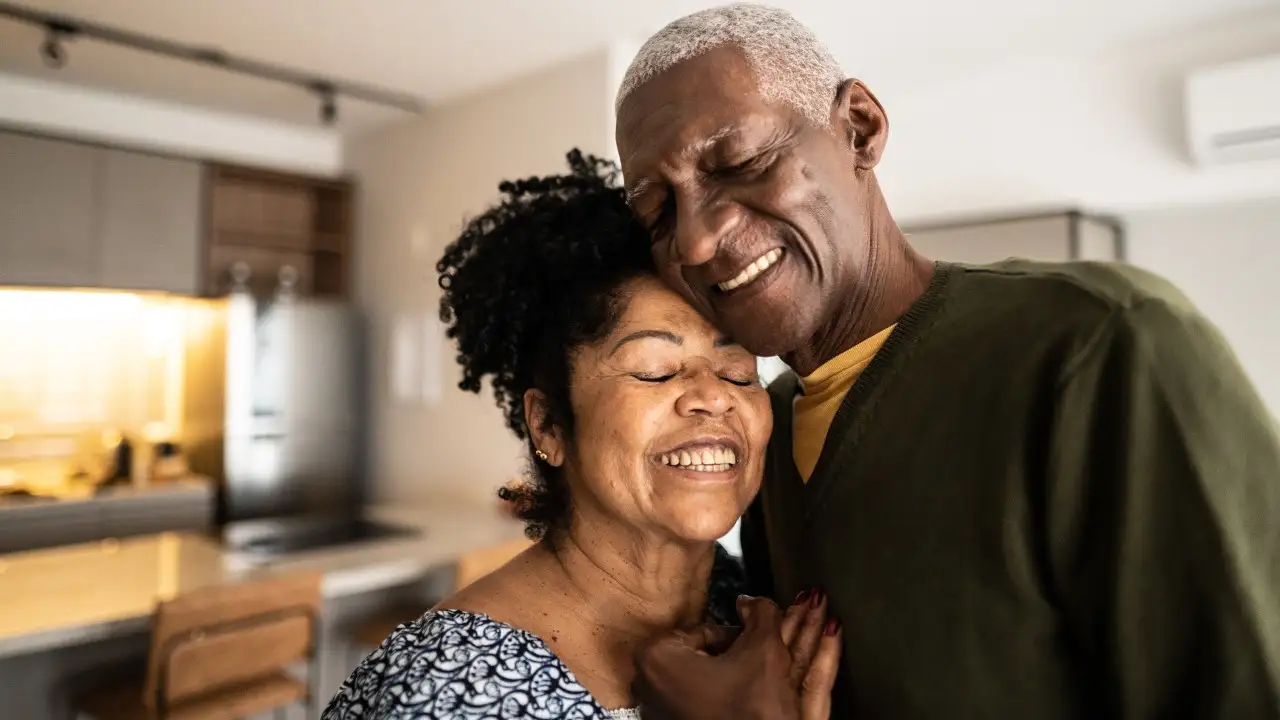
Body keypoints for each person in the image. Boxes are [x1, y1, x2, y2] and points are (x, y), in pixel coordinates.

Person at [614, 3, 1280, 718]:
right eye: (658, 213)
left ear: (859, 130)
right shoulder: (765, 438)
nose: (694, 242)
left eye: (741, 163)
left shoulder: (1099, 348)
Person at [321, 150, 841, 719]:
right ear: (549, 424)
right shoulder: (441, 694)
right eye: (655, 370)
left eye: (739, 371)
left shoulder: (759, 620)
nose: (714, 396)